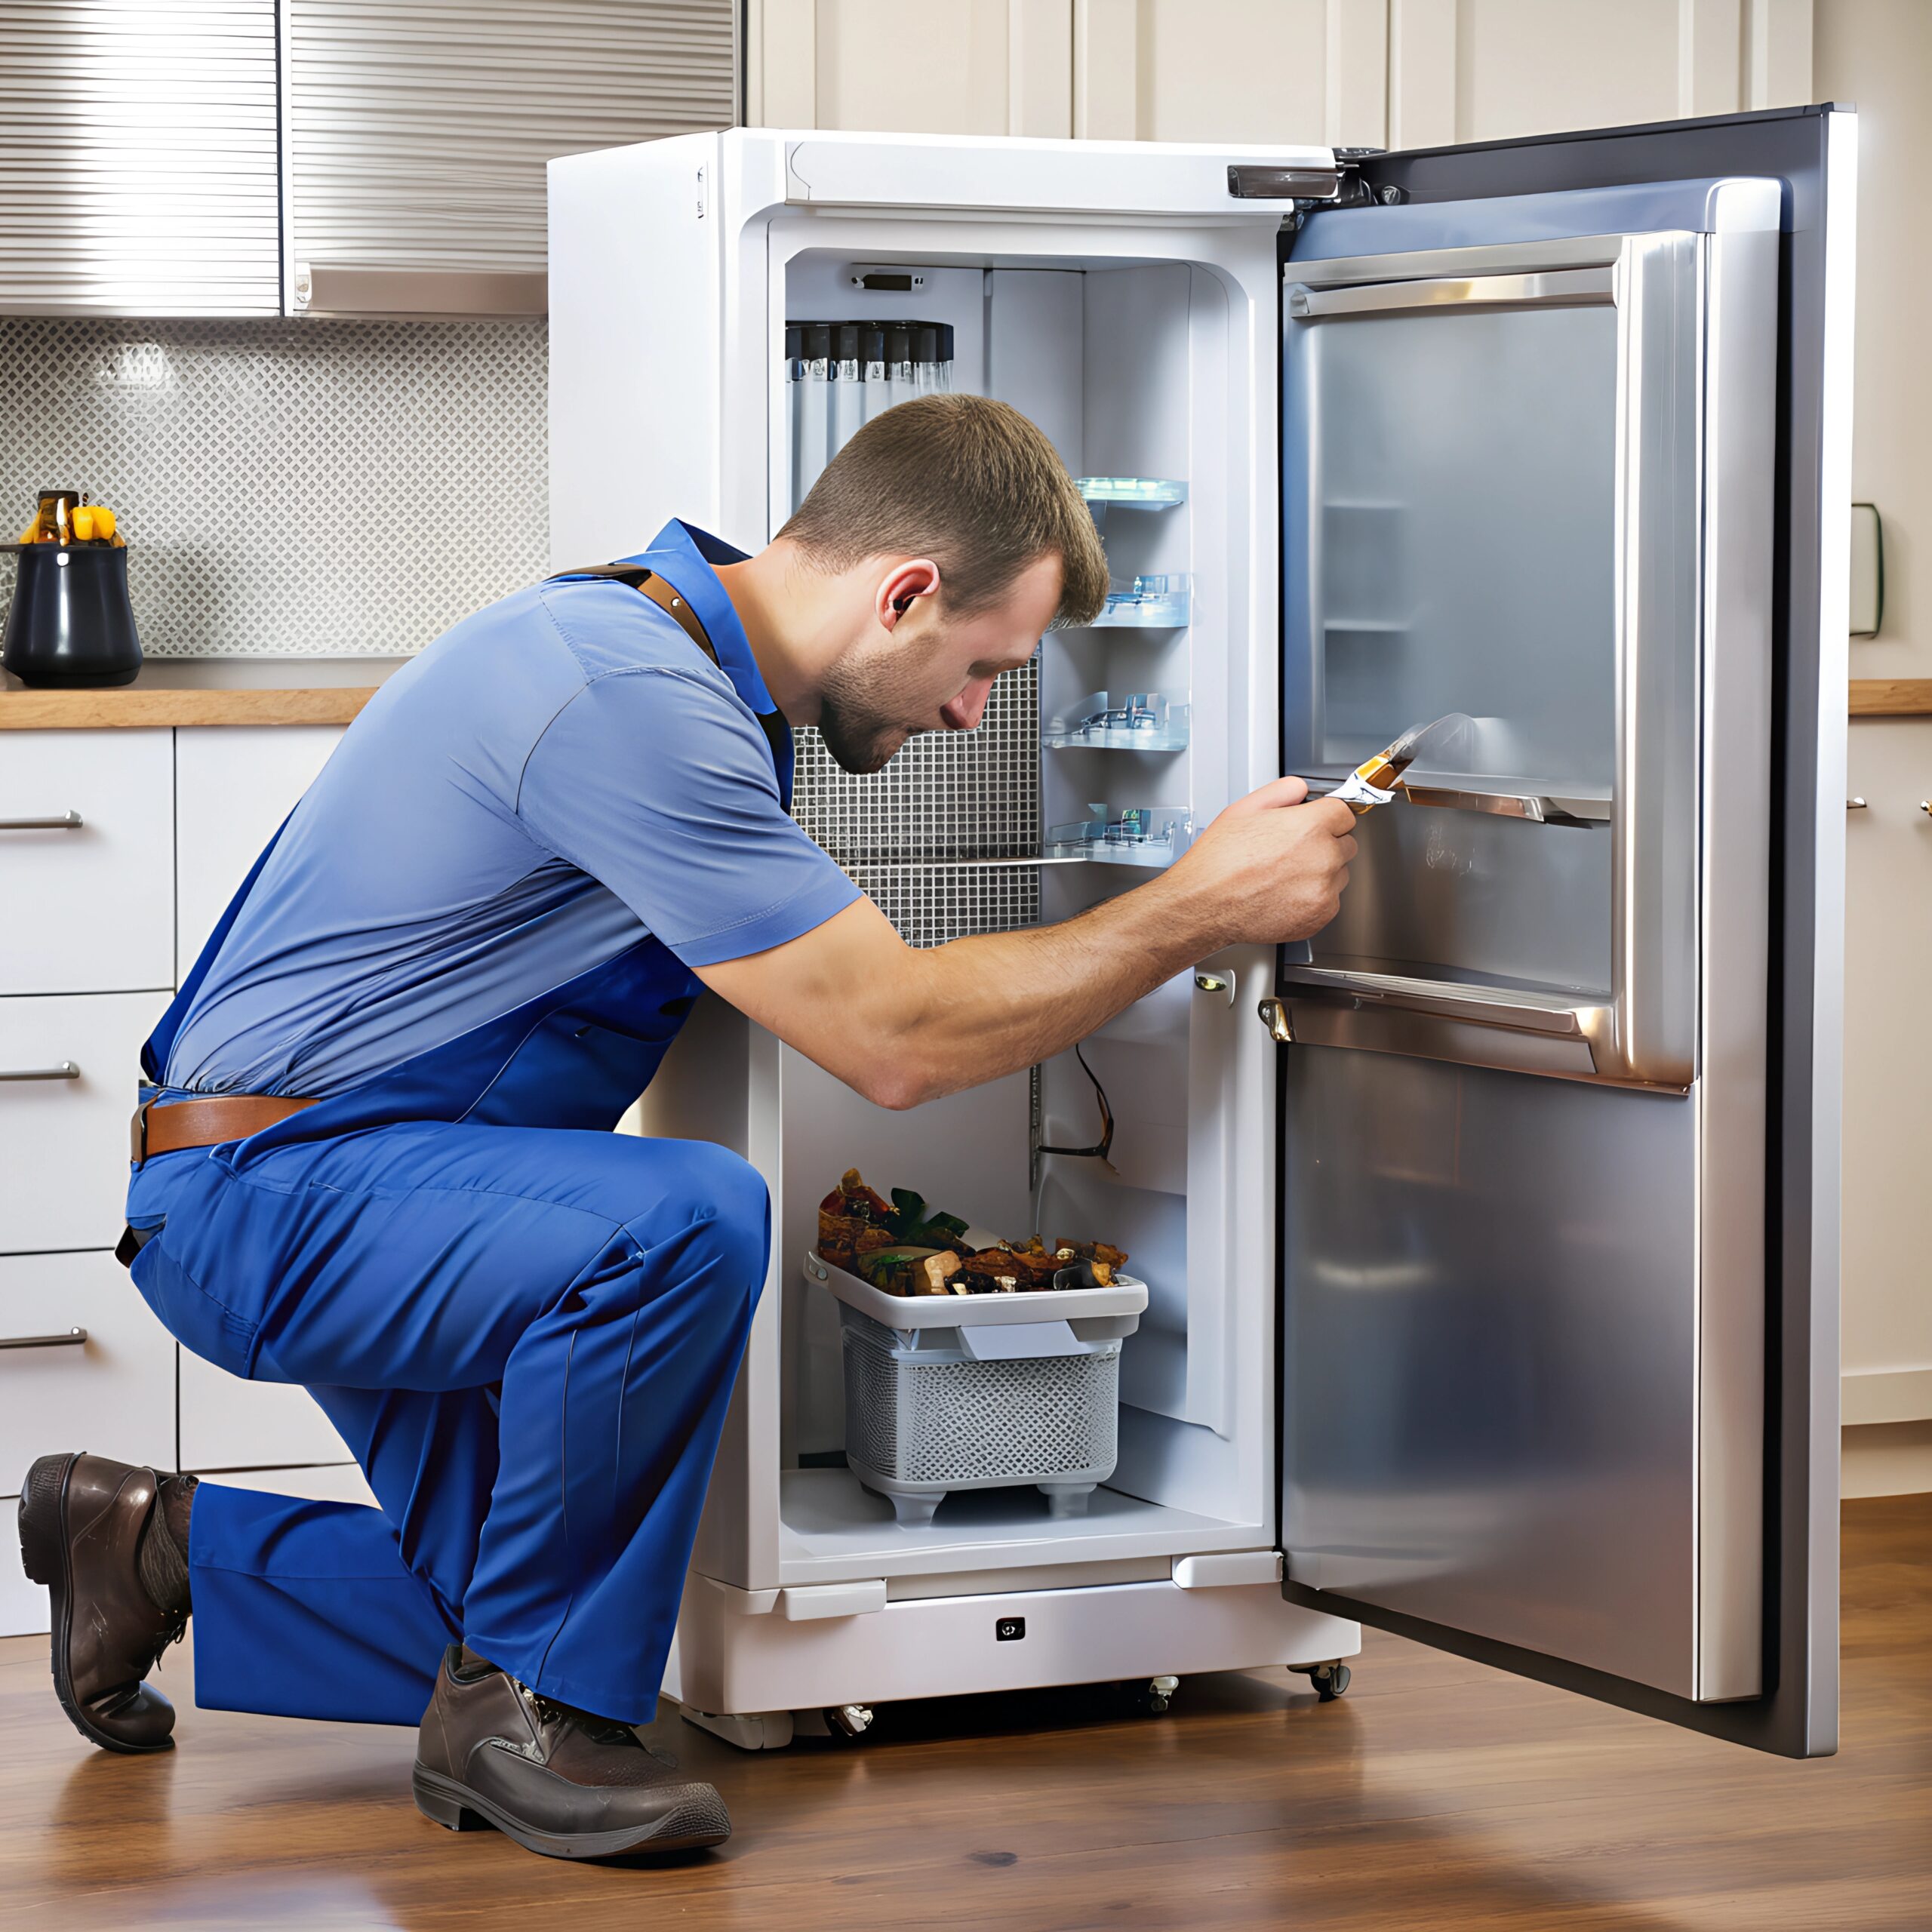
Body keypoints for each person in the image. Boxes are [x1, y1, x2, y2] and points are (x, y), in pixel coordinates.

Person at [17, 395, 1356, 1863]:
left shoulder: (670, 663)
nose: (973, 712)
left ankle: (150, 1544)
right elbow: (893, 1039)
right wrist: (1199, 908)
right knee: (684, 1220)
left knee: (526, 1608)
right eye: (982, 668)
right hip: (270, 1194)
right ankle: (522, 1712)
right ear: (902, 591)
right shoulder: (623, 694)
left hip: (376, 1174)